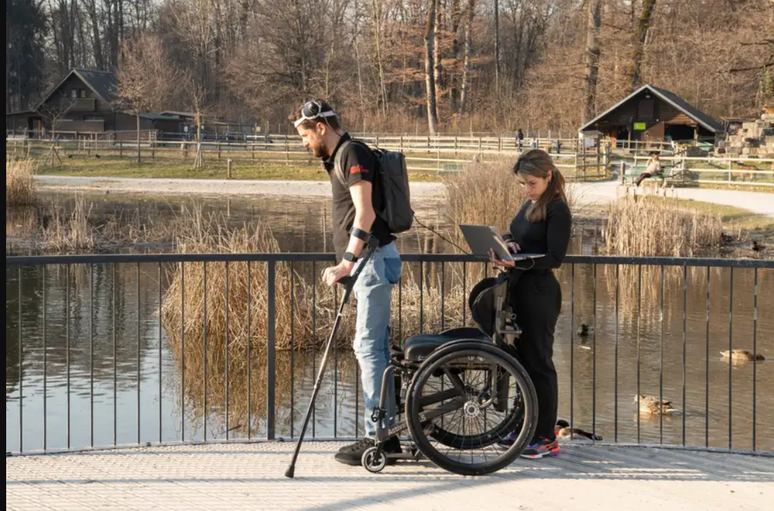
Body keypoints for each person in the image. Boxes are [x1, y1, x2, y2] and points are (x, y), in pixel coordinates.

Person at [291, 100, 402, 465]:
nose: (305, 142)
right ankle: (387, 434)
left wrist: (345, 262)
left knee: (367, 348)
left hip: (370, 261)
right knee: (376, 349)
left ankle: (378, 438)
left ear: (321, 127)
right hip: (368, 264)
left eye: (306, 134)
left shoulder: (351, 153)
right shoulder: (340, 155)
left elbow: (366, 212)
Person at [488, 149, 572, 459]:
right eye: (522, 184)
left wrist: (516, 263)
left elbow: (555, 258)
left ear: (548, 176)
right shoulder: (530, 203)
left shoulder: (557, 209)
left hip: (540, 294)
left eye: (531, 183)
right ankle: (525, 427)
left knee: (540, 365)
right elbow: (515, 230)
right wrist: (507, 243)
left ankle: (546, 436)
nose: (526, 189)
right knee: (523, 366)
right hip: (519, 291)